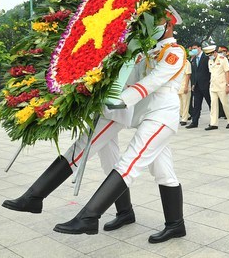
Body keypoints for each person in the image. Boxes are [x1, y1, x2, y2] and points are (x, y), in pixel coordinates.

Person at [53, 13, 188, 243]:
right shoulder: (147, 51)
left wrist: (122, 100)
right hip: (148, 115)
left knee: (130, 162)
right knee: (163, 170)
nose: (150, 27)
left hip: (162, 114)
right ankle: (173, 224)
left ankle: (89, 216)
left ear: (168, 24)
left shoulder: (175, 52)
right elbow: (129, 78)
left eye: (155, 22)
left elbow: (152, 81)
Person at [2, 117, 134, 232]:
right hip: (107, 109)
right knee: (110, 162)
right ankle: (125, 211)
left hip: (115, 111)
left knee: (78, 150)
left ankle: (34, 196)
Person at [204, 45, 229, 130]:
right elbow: (211, 72)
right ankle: (213, 123)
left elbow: (227, 72)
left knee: (225, 104)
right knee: (213, 104)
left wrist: (228, 85)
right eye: (208, 55)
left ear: (215, 52)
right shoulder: (210, 61)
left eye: (210, 54)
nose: (209, 56)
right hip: (213, 85)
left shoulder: (223, 59)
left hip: (222, 85)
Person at [186, 42, 210, 129]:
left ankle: (213, 121)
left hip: (206, 85)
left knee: (210, 103)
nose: (193, 50)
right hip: (196, 86)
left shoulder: (206, 57)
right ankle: (194, 122)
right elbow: (193, 73)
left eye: (195, 48)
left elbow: (210, 71)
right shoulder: (193, 59)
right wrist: (193, 84)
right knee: (196, 105)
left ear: (200, 48)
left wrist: (210, 83)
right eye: (192, 49)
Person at [179, 47, 192, 126]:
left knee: (185, 103)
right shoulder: (177, 63)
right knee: (179, 104)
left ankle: (184, 119)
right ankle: (187, 115)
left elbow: (188, 74)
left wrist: (186, 86)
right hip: (178, 86)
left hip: (184, 85)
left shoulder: (186, 62)